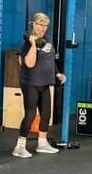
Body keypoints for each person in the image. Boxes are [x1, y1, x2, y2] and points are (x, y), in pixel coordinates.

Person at [12, 12, 66, 158]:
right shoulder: (27, 43)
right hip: (31, 83)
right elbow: (29, 63)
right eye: (40, 25)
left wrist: (57, 73)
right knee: (30, 114)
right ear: (33, 25)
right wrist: (34, 44)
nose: (42, 28)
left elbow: (50, 60)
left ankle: (42, 143)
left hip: (45, 81)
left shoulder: (49, 39)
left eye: (45, 26)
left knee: (46, 114)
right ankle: (20, 146)